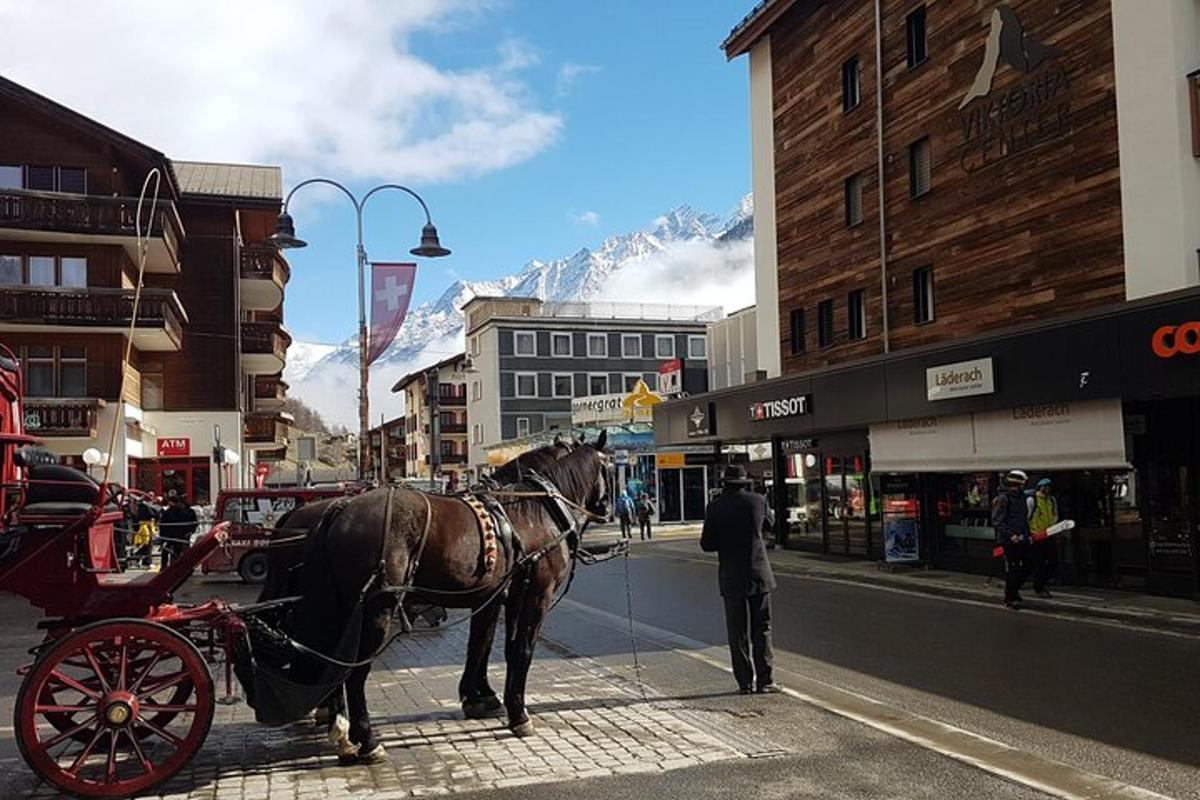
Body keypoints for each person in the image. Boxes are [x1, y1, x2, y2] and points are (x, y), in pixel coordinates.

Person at [701, 465, 780, 694]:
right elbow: (771, 525)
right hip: (759, 575)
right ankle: (765, 681)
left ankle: (744, 683)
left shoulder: (714, 507)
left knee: (737, 633)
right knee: (762, 628)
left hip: (731, 577)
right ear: (745, 483)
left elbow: (707, 544)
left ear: (724, 483)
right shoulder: (758, 501)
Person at [992, 469, 1031, 609]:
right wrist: (1011, 535)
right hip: (1009, 540)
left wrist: (1027, 534)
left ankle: (1014, 590)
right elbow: (997, 521)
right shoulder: (1003, 499)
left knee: (1027, 565)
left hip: (1022, 538)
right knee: (1013, 568)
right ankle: (1010, 597)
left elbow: (1023, 519)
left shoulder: (1022, 498)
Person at [1027, 477, 1060, 598]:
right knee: (1039, 563)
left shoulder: (1051, 500)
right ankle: (1039, 587)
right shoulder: (1032, 500)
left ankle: (1044, 582)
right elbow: (1027, 518)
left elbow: (1055, 515)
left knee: (1053, 561)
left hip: (1049, 534)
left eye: (1049, 487)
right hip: (1036, 537)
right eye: (1045, 487)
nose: (1047, 489)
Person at [159, 491, 198, 568]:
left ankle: (165, 567)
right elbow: (191, 521)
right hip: (181, 534)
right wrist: (189, 531)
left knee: (167, 551)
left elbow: (163, 523)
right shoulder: (185, 511)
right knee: (179, 551)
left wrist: (162, 537)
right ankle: (180, 566)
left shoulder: (168, 512)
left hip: (170, 535)